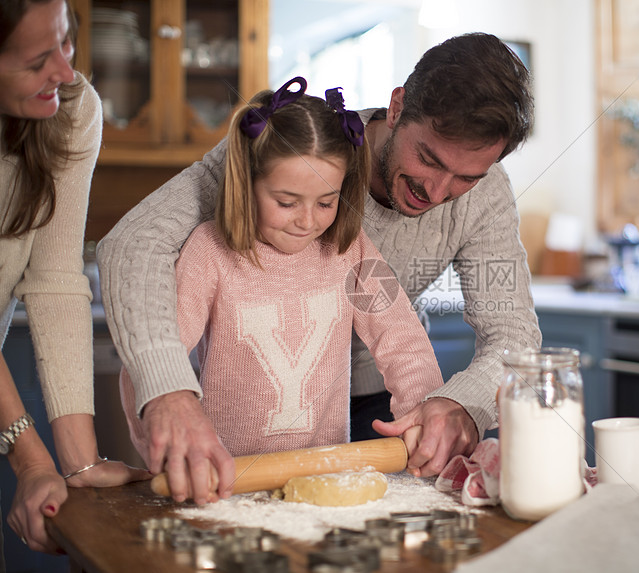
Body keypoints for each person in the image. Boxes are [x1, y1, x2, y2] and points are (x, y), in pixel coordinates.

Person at [97, 32, 542, 505]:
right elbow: (134, 242)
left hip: (385, 416)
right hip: (237, 424)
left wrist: (460, 404)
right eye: (429, 158)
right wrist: (168, 390)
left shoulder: (486, 198)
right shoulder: (299, 152)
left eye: (467, 177)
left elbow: (512, 334)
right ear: (397, 107)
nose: (437, 191)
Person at [118, 78, 444, 498]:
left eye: (326, 203)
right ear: (247, 183)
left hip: (326, 480)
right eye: (287, 202)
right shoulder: (208, 251)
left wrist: (423, 422)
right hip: (226, 482)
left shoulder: (355, 250)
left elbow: (402, 340)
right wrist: (161, 448)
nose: (307, 221)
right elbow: (151, 359)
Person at [0, 0, 148, 560]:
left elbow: (55, 279)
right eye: (38, 58)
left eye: (65, 43)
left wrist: (78, 464)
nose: (65, 73)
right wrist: (33, 462)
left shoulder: (70, 105)